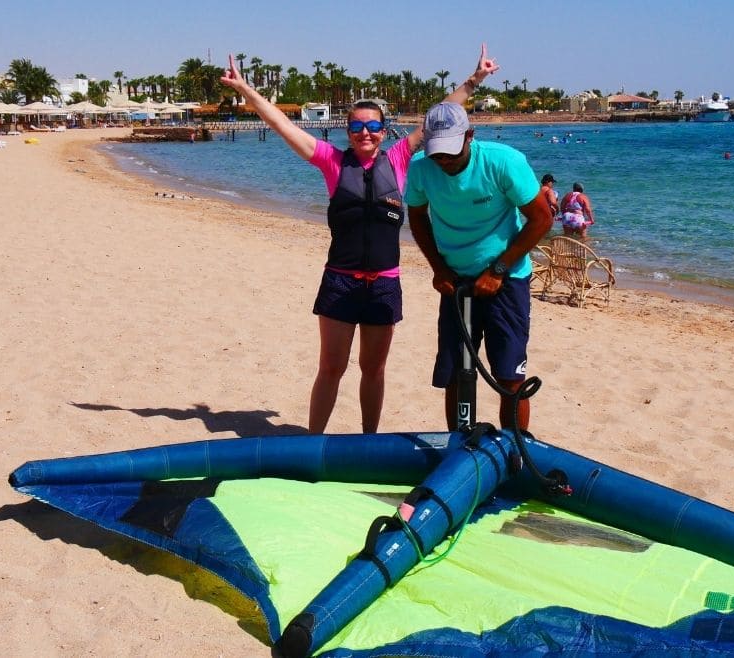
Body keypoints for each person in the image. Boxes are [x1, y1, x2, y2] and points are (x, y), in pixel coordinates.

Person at [218, 45, 499, 434]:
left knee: (374, 370)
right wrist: (247, 91)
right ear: (347, 132)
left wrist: (474, 80)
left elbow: (439, 117)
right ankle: (312, 441)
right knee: (331, 368)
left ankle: (369, 440)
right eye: (356, 127)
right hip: (340, 283)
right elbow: (284, 126)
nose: (364, 133)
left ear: (384, 132)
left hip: (384, 285)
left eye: (372, 127)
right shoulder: (332, 162)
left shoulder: (399, 159)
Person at [405, 101, 554, 432]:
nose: (443, 161)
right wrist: (438, 268)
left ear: (470, 136)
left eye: (450, 153)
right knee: (457, 371)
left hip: (507, 280)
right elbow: (416, 217)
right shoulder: (420, 169)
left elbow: (542, 218)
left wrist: (498, 270)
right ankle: (458, 447)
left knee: (509, 376)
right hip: (455, 281)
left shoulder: (504, 163)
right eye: (436, 153)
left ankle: (515, 452)